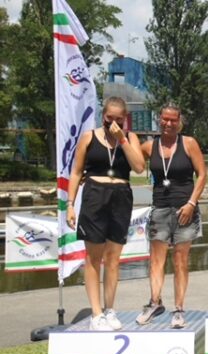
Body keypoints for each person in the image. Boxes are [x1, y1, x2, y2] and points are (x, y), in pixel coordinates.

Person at [66, 96, 145, 331]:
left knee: (113, 258)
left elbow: (139, 167)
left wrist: (122, 139)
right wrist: (70, 204)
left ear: (125, 119)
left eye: (119, 119)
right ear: (103, 115)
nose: (113, 123)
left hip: (121, 196)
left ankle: (110, 309)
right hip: (95, 195)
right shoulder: (89, 137)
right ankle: (96, 313)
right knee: (93, 258)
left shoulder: (130, 138)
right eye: (109, 118)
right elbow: (76, 172)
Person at [135, 104, 207, 328]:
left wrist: (191, 203)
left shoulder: (189, 143)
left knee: (180, 261)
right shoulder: (150, 146)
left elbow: (202, 175)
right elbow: (132, 161)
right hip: (160, 208)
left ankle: (178, 309)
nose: (168, 123)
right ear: (159, 119)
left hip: (185, 209)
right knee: (156, 260)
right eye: (164, 119)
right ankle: (154, 303)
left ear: (179, 121)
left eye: (173, 120)